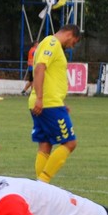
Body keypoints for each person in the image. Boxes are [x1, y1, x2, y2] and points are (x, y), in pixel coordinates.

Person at [29, 24, 82, 183]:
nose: (72, 46)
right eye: (74, 41)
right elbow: (40, 68)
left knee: (45, 145)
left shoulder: (51, 44)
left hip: (48, 102)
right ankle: (42, 183)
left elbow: (49, 74)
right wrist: (40, 98)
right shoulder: (52, 43)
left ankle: (40, 186)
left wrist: (60, 102)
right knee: (70, 143)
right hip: (47, 103)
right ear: (70, 34)